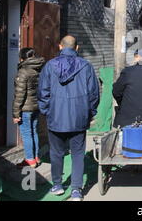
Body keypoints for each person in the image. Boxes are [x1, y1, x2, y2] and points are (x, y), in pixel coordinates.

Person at [37, 35, 100, 201]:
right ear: (77, 48)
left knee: (56, 153)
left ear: (60, 46)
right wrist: (90, 112)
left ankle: (57, 185)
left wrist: (46, 111)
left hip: (56, 116)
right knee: (78, 154)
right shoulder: (86, 66)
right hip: (79, 117)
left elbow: (43, 91)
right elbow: (94, 93)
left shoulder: (50, 66)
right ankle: (76, 190)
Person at [112, 49, 142, 131]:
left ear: (137, 57)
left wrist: (122, 103)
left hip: (128, 120)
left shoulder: (127, 72)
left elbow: (116, 92)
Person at [13, 48, 45, 169]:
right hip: (36, 106)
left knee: (26, 133)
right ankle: (36, 157)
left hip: (25, 108)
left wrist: (16, 114)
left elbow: (19, 95)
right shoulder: (39, 69)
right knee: (33, 131)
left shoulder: (23, 72)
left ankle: (30, 159)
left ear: (22, 58)